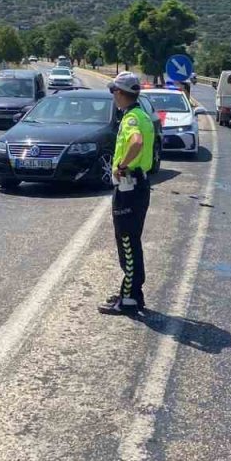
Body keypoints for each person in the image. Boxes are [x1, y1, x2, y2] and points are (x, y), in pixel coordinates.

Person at [100, 72, 155, 316]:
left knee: (127, 243)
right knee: (130, 241)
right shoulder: (141, 114)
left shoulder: (132, 119)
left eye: (114, 92)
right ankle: (131, 292)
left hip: (130, 187)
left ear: (121, 94)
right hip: (137, 187)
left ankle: (130, 298)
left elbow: (136, 143)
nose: (113, 96)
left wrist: (121, 165)